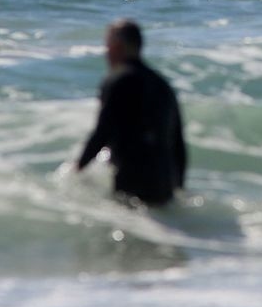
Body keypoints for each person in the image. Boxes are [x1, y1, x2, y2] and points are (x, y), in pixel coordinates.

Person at [76, 19, 187, 206]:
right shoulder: (162, 85)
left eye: (108, 45)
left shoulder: (118, 80)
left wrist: (79, 167)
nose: (107, 52)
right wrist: (179, 186)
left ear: (117, 46)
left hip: (132, 181)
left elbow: (104, 130)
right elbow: (178, 143)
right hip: (163, 183)